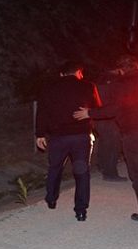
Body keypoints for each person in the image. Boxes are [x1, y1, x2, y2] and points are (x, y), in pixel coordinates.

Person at [73, 55, 138, 223]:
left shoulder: (121, 85)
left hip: (136, 134)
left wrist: (89, 113)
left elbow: (113, 109)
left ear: (120, 70)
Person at [35, 61, 101, 222]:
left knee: (55, 168)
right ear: (78, 72)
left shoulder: (49, 87)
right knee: (82, 171)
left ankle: (51, 199)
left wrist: (40, 134)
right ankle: (81, 210)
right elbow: (97, 108)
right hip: (81, 136)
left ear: (61, 74)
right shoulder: (88, 86)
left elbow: (42, 111)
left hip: (58, 136)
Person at [92, 68, 127, 181]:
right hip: (110, 117)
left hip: (98, 116)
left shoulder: (99, 80)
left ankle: (102, 165)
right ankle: (110, 172)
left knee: (104, 142)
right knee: (113, 145)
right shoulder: (117, 82)